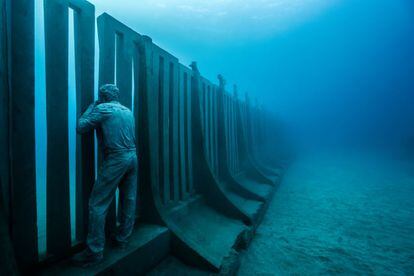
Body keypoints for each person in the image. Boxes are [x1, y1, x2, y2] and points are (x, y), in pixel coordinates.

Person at [72, 84, 138, 267]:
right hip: (133, 157)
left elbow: (81, 127)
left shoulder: (103, 108)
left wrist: (91, 107)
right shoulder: (127, 110)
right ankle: (122, 240)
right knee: (129, 200)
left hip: (116, 159)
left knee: (97, 204)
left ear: (102, 96)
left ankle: (94, 251)